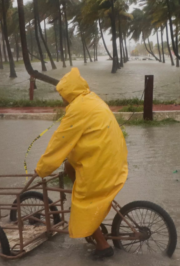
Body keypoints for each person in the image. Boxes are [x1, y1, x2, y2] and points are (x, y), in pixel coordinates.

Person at [35, 67, 128, 258]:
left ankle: (103, 247)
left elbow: (59, 142)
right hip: (114, 157)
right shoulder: (91, 98)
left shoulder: (77, 109)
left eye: (62, 94)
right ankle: (95, 220)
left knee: (82, 203)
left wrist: (42, 169)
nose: (61, 99)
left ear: (69, 92)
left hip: (102, 163)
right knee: (69, 165)